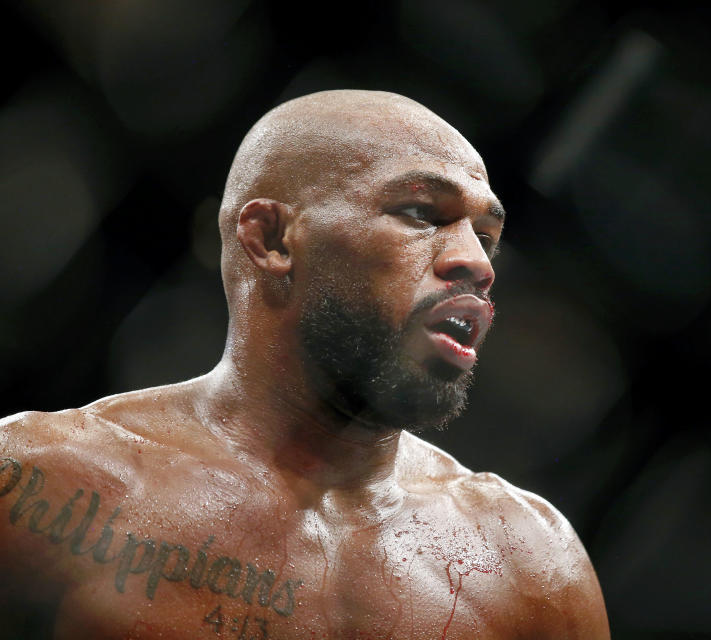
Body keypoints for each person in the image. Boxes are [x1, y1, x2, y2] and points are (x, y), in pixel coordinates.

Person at [0, 90, 610, 639]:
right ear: (271, 238)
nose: (477, 264)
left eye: (487, 235)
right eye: (424, 214)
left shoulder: (528, 561)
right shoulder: (43, 485)